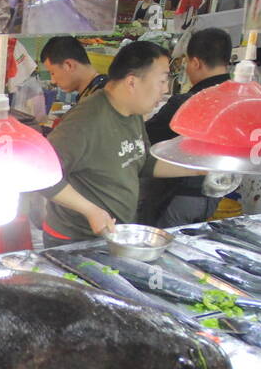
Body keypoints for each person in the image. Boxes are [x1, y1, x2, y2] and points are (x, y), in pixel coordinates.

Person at [39, 40, 196, 247]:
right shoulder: (86, 121)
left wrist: (199, 168)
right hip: (76, 239)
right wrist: (90, 210)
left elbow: (143, 161)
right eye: (162, 80)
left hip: (115, 234)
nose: (166, 89)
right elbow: (41, 172)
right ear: (132, 82)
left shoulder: (132, 112)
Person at [139, 28, 233, 227]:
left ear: (196, 62)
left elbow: (145, 138)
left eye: (188, 63)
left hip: (180, 197)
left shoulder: (187, 103)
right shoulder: (240, 100)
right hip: (216, 195)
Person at [40, 35, 107, 110]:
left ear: (68, 65)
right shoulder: (90, 93)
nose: (53, 81)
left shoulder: (101, 98)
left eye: (52, 73)